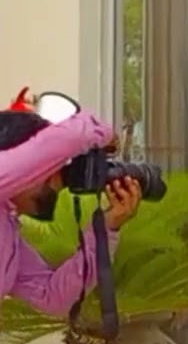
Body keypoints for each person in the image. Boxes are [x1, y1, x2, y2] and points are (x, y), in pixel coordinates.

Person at [0, 93, 142, 319]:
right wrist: (102, 134)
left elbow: (51, 298)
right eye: (46, 168)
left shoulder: (7, 233)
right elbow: (68, 138)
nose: (56, 184)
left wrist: (107, 227)